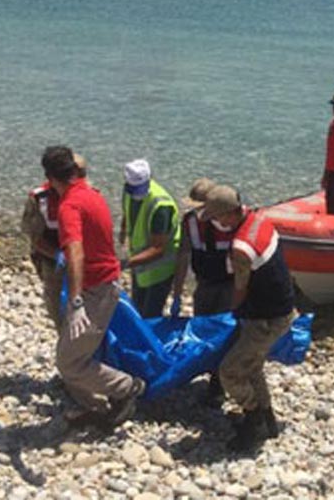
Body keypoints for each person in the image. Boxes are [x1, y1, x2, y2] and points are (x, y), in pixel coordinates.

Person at [43, 145, 145, 427]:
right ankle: (100, 407)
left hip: (95, 290)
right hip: (103, 283)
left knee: (69, 363)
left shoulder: (69, 206)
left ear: (51, 177)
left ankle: (127, 388)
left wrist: (76, 302)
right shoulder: (91, 193)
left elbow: (76, 252)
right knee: (75, 353)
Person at [201, 184, 296, 452]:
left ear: (228, 214)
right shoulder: (260, 220)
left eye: (217, 218)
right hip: (283, 307)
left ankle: (252, 423)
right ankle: (268, 421)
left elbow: (240, 288)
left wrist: (231, 313)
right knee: (252, 366)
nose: (216, 223)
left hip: (265, 318)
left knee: (230, 372)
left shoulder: (241, 247)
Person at [169, 177, 232, 405]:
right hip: (205, 284)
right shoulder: (189, 223)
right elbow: (183, 256)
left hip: (229, 286)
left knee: (225, 334)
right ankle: (205, 371)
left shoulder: (230, 224)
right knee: (203, 329)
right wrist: (177, 294)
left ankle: (219, 383)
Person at [20, 153, 87, 330]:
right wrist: (59, 255)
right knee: (58, 310)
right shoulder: (39, 199)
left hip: (83, 264)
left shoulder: (88, 195)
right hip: (52, 264)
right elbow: (34, 237)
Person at [119, 159, 182, 318]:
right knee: (137, 310)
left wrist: (124, 263)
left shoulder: (161, 205)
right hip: (140, 265)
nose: (136, 193)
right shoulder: (128, 192)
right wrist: (123, 230)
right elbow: (127, 212)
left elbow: (158, 249)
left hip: (159, 270)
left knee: (150, 315)